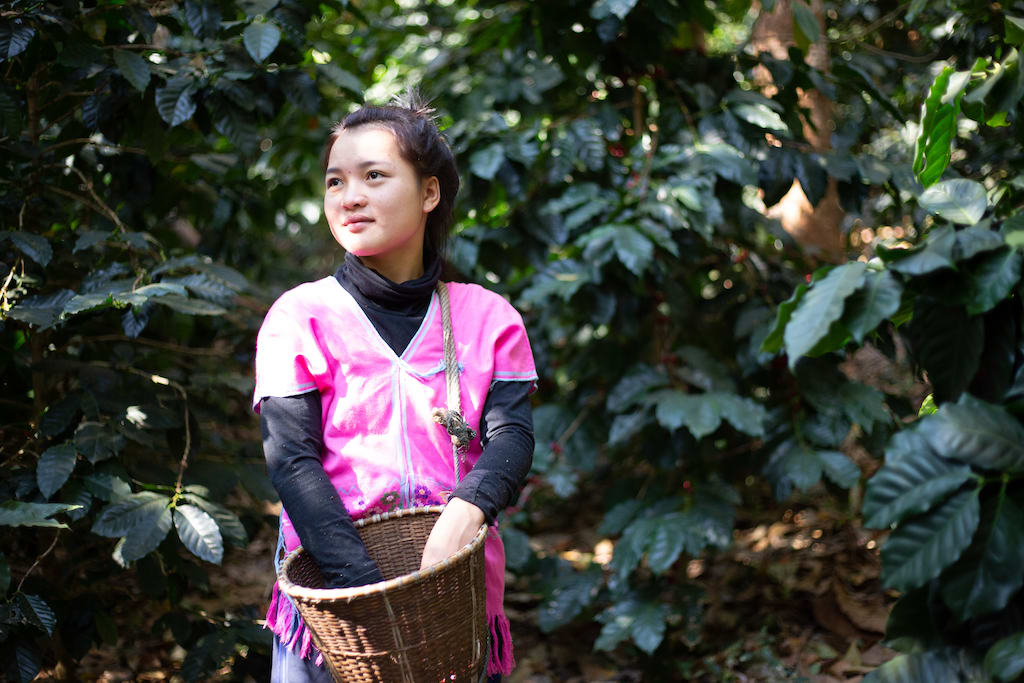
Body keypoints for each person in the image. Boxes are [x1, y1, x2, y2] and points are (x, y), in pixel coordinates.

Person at [253, 93, 537, 682]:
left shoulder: (487, 317)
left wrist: (466, 510)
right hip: (334, 616)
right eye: (335, 181)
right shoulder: (299, 317)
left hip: (454, 601)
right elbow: (292, 462)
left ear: (430, 193)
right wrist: (368, 593)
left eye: (373, 176)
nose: (349, 196)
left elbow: (511, 436)